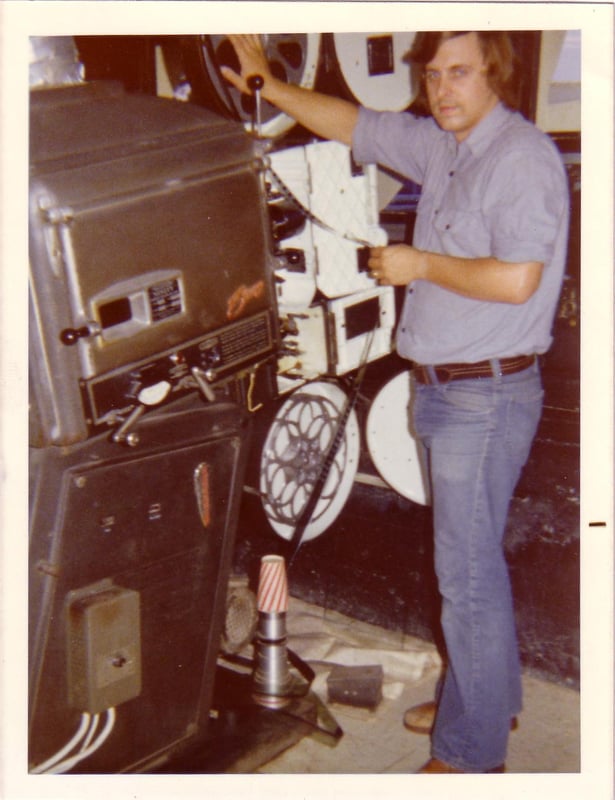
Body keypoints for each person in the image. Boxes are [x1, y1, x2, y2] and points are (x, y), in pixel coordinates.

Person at [223, 31, 570, 773]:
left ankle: (470, 756)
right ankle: (484, 700)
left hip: (485, 394)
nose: (442, 89)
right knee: (471, 567)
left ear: (495, 77)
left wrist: (419, 266)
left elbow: (517, 281)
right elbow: (357, 124)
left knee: (466, 575)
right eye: (433, 74)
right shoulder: (444, 144)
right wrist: (267, 84)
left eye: (460, 73)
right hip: (449, 389)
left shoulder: (521, 159)